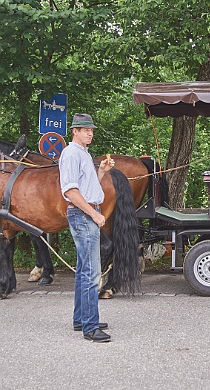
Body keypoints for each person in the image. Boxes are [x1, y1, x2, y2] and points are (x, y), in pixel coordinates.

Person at [59, 113, 115, 343]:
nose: (90, 133)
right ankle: (90, 327)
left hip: (85, 213)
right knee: (92, 272)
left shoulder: (83, 153)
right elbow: (70, 191)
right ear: (75, 131)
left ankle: (81, 319)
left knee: (84, 271)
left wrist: (101, 172)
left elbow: (87, 186)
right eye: (85, 130)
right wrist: (94, 214)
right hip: (84, 215)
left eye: (91, 130)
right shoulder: (72, 153)